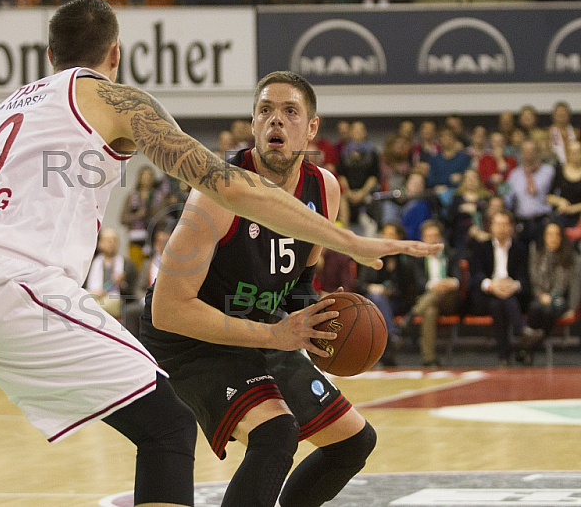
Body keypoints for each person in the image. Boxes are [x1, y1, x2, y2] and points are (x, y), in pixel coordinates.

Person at [0, 0, 439, 507]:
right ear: (115, 54)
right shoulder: (113, 97)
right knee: (169, 427)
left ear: (49, 55)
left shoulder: (13, 106)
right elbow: (224, 183)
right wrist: (349, 241)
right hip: (7, 283)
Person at [140, 71, 424, 507]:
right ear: (253, 125)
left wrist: (320, 323)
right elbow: (168, 311)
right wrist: (275, 334)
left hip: (259, 330)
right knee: (276, 432)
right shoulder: (216, 193)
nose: (276, 121)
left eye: (290, 112)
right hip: (191, 340)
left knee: (353, 443)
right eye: (265, 111)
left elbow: (300, 284)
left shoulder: (325, 189)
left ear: (311, 128)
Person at [468, 210, 534, 366]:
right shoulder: (481, 248)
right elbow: (476, 275)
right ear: (491, 227)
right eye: (497, 224)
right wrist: (491, 285)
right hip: (486, 295)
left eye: (505, 224)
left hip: (512, 295)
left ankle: (503, 357)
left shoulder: (520, 249)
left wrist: (513, 285)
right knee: (498, 302)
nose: (501, 228)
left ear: (511, 227)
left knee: (500, 303)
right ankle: (522, 330)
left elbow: (525, 278)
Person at [355, 222, 416, 366]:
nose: (388, 238)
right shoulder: (373, 256)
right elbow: (360, 284)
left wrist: (392, 291)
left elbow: (410, 288)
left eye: (391, 235)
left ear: (399, 237)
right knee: (377, 299)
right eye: (385, 234)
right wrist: (373, 287)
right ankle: (393, 334)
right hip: (372, 302)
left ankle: (389, 340)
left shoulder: (405, 260)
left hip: (397, 302)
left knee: (381, 303)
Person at [523, 222, 580, 365]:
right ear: (544, 237)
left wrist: (573, 309)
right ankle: (533, 345)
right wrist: (541, 295)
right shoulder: (537, 256)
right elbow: (533, 281)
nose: (553, 238)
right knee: (536, 308)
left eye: (556, 235)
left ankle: (527, 348)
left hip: (561, 300)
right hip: (540, 298)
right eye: (549, 234)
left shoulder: (572, 258)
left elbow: (575, 286)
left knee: (549, 310)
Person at [408, 220, 462, 367]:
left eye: (435, 235)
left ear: (441, 237)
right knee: (430, 311)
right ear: (423, 239)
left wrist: (449, 283)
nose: (432, 239)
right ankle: (429, 359)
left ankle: (412, 314)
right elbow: (419, 283)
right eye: (429, 236)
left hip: (450, 299)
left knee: (439, 294)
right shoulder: (417, 258)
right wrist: (434, 285)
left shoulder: (451, 254)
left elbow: (459, 279)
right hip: (429, 299)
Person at [84, 228, 138, 320]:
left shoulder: (128, 265)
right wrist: (94, 293)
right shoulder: (89, 264)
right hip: (94, 296)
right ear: (99, 243)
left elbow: (133, 294)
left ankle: (91, 310)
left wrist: (121, 284)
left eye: (114, 240)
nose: (111, 243)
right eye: (108, 240)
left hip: (114, 300)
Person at [546, 141, 581, 228]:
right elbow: (549, 197)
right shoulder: (560, 171)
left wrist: (573, 209)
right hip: (562, 215)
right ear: (568, 154)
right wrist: (560, 201)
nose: (575, 155)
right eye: (572, 152)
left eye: (578, 152)